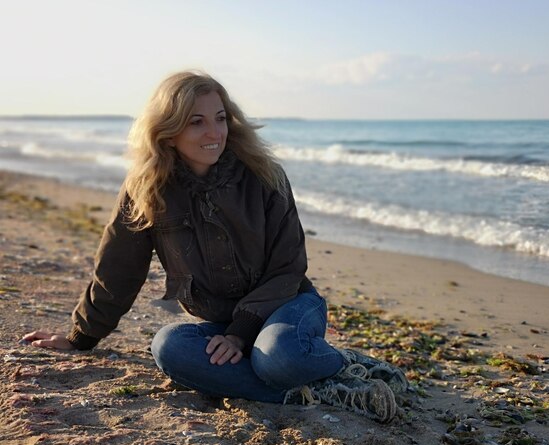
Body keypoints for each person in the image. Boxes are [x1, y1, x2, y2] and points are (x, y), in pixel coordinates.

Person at [21, 70, 408, 423]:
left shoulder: (264, 175)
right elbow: (118, 270)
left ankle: (344, 364)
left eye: (220, 118)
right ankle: (312, 391)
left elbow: (289, 266)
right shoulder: (146, 189)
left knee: (280, 356)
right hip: (221, 321)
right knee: (169, 348)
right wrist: (80, 338)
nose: (214, 133)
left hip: (288, 305)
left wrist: (240, 333)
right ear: (168, 130)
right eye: (197, 121)